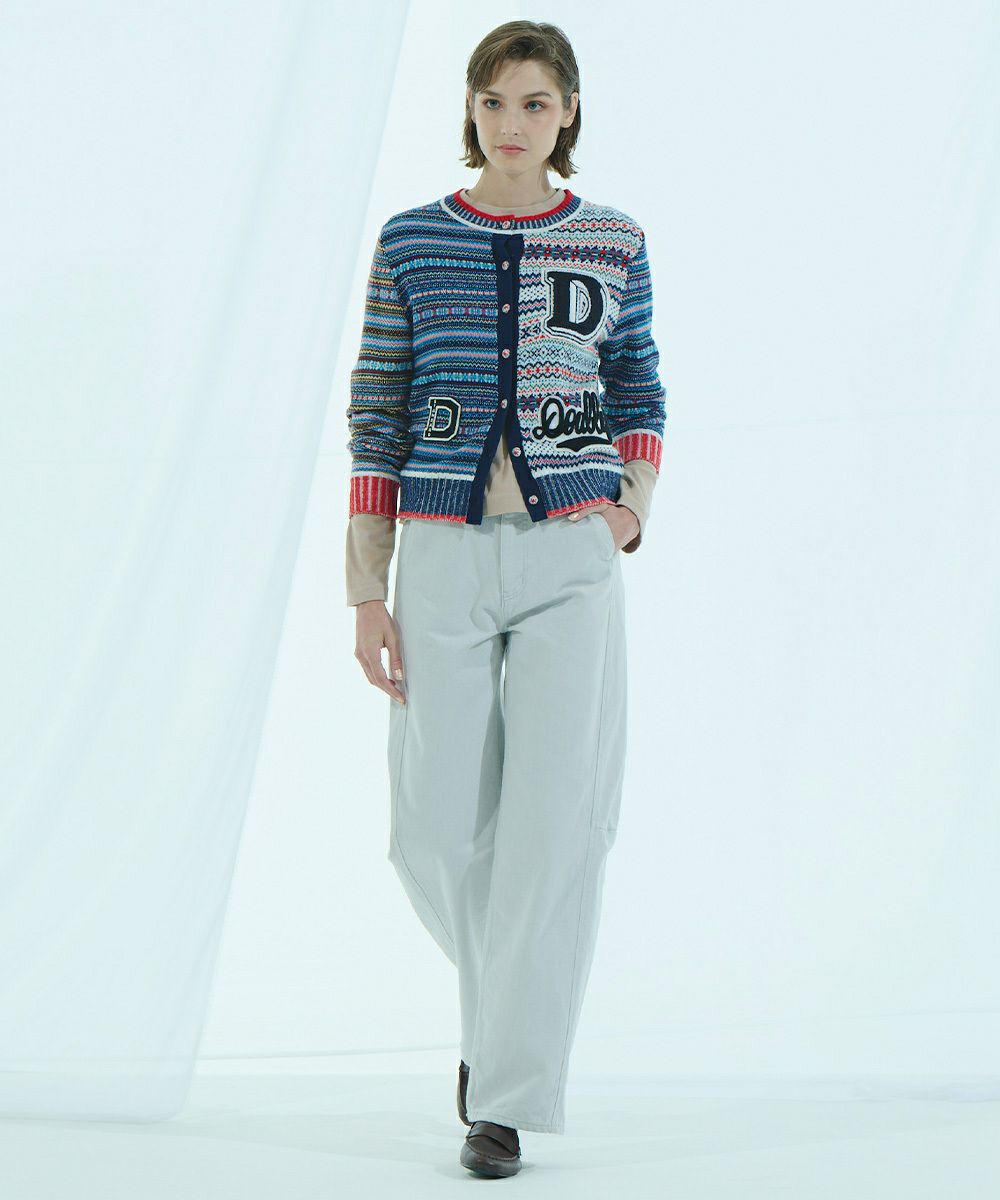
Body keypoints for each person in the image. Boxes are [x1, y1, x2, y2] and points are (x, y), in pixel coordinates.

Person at [346, 20, 666, 1178]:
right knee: (431, 825)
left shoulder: (611, 239)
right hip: (438, 553)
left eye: (534, 103)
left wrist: (626, 505)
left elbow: (638, 387)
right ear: (470, 109)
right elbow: (376, 408)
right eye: (493, 102)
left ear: (567, 110)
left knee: (549, 827)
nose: (511, 124)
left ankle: (505, 1096)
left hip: (568, 558)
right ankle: (499, 1023)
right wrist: (365, 589)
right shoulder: (413, 239)